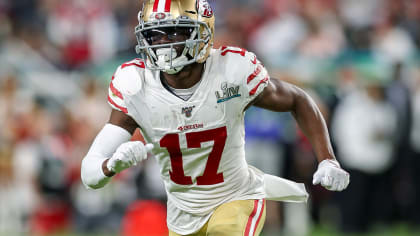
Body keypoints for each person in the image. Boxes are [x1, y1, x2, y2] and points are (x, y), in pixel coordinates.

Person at [81, 1, 350, 235]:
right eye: (155, 35)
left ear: (201, 33)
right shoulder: (136, 86)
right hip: (182, 213)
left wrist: (327, 158)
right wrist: (111, 165)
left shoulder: (231, 71)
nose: (164, 43)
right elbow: (89, 173)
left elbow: (297, 99)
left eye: (174, 31)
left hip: (236, 197)